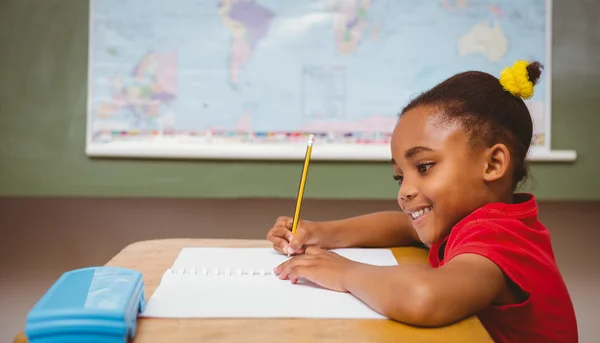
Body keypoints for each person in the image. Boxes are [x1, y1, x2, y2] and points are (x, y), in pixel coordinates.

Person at [266, 60, 578, 343]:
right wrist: (318, 232)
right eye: (400, 177)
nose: (405, 191)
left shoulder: (499, 239)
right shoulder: (479, 221)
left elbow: (424, 298)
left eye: (424, 167)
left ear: (493, 164)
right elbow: (403, 226)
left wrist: (343, 272)